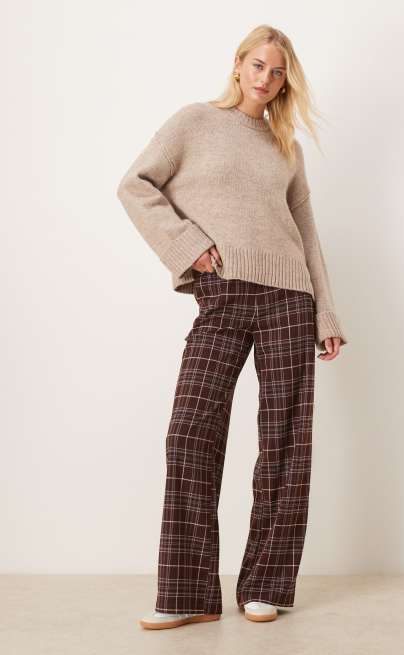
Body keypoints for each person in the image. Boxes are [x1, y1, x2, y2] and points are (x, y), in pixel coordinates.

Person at [116, 24, 348, 630]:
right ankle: (188, 592)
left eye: (278, 71)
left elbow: (306, 231)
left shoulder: (285, 146)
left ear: (285, 81)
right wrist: (186, 245)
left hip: (289, 298)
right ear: (239, 63)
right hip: (222, 292)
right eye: (258, 65)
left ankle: (266, 585)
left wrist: (325, 312)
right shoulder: (194, 122)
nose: (265, 79)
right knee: (190, 431)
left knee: (285, 443)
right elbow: (135, 185)